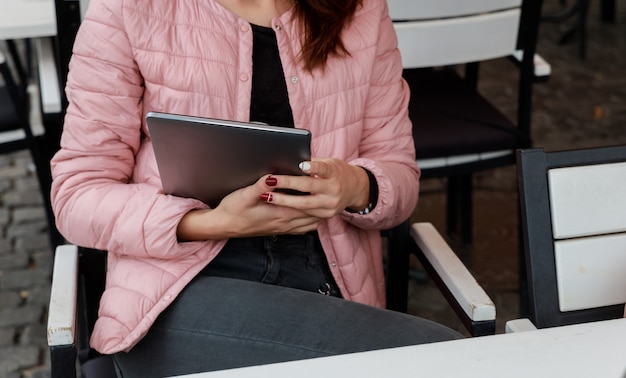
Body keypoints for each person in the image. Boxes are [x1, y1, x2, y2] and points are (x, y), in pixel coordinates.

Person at [50, 0, 463, 376]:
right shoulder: (129, 9)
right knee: (445, 359)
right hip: (174, 290)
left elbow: (401, 179)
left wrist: (357, 185)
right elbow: (77, 194)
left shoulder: (360, 10)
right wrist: (208, 222)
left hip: (322, 280)